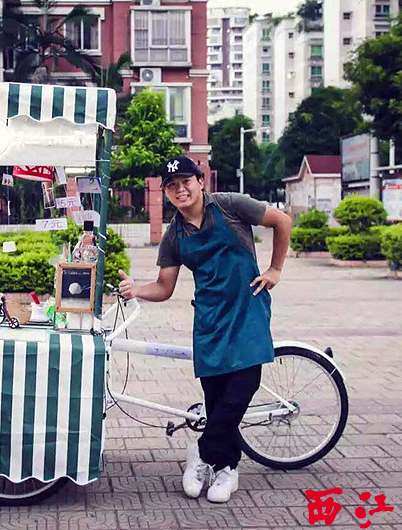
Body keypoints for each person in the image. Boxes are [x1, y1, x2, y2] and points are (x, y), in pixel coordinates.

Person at [117, 155, 292, 503]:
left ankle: (200, 452)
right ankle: (227, 470)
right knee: (218, 402)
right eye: (172, 185)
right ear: (166, 192)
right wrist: (136, 290)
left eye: (186, 181)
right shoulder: (174, 235)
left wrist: (275, 269)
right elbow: (164, 287)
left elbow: (282, 221)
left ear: (200, 181)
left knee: (241, 390)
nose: (180, 189)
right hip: (209, 322)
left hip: (247, 312)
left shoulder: (230, 205)